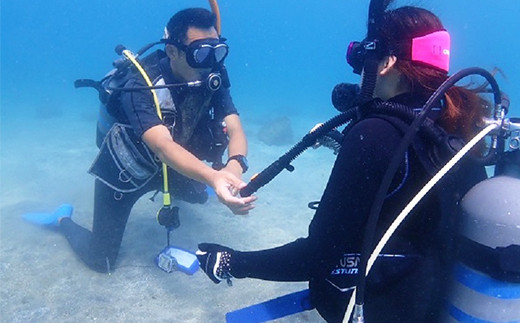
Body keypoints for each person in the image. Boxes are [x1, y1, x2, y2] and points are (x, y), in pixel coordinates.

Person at [196, 2, 490, 322]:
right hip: (436, 303)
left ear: (387, 62)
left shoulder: (375, 133)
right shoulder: (458, 124)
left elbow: (318, 256)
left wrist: (233, 263)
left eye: (364, 58)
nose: (360, 70)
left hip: (378, 309)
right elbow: (412, 184)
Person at [23, 8, 256, 274]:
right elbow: (162, 146)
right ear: (172, 52)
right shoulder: (141, 85)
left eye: (216, 52)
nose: (209, 63)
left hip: (171, 167)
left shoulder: (211, 76)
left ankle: (187, 185)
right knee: (102, 261)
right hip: (127, 172)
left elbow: (235, 128)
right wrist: (213, 177)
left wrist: (232, 169)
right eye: (200, 53)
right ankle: (62, 217)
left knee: (199, 197)